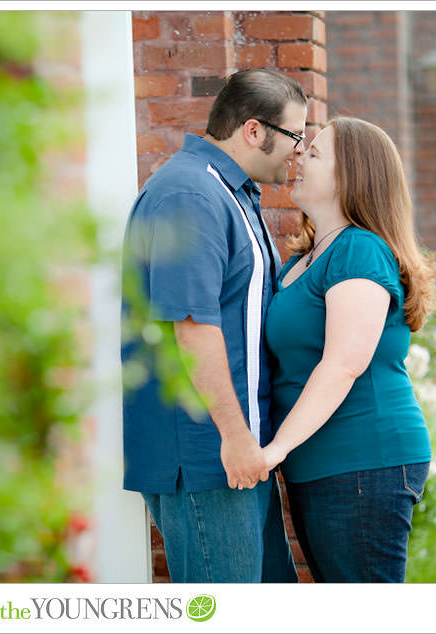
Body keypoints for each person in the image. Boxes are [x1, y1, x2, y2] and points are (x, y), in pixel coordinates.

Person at [120, 68, 307, 583]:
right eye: (295, 136)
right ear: (253, 131)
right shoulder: (192, 196)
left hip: (237, 455)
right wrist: (235, 436)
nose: (298, 151)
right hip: (210, 457)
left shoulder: (229, 192)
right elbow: (191, 326)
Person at [261, 116, 436, 582]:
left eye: (315, 153)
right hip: (324, 465)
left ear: (351, 176)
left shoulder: (358, 250)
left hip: (363, 460)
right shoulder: (306, 258)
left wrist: (275, 449)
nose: (299, 155)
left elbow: (344, 363)